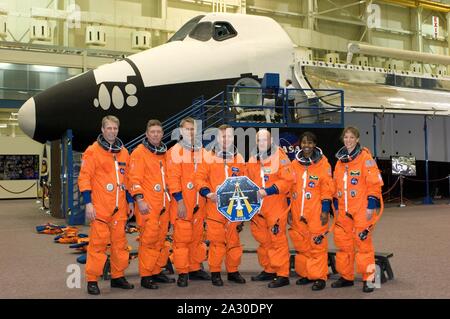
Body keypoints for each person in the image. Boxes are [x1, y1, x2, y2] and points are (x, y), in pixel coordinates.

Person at [78, 115, 135, 295]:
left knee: (120, 244)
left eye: (115, 128)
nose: (112, 131)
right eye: (109, 128)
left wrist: (131, 201)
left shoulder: (124, 152)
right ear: (102, 130)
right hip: (100, 207)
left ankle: (118, 276)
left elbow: (128, 179)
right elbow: (84, 177)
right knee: (98, 245)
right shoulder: (92, 151)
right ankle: (92, 280)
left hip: (120, 209)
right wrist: (88, 203)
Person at [332, 126, 383, 293]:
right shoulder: (340, 162)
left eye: (351, 137)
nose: (348, 140)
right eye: (345, 137)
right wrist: (337, 208)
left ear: (357, 139)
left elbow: (374, 184)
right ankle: (346, 277)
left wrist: (371, 206)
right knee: (344, 245)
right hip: (344, 210)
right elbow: (335, 186)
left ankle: (370, 279)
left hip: (362, 209)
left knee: (364, 246)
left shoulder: (365, 158)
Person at [194, 124, 247, 286]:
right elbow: (199, 179)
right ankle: (215, 272)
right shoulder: (208, 157)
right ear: (217, 138)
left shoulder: (238, 158)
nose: (226, 140)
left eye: (229, 136)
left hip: (234, 209)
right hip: (214, 208)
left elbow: (245, 183)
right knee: (217, 242)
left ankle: (232, 271)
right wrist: (207, 193)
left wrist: (244, 210)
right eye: (223, 136)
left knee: (234, 242)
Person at [128, 119, 174, 290]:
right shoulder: (139, 153)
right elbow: (134, 178)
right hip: (148, 206)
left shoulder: (164, 153)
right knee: (148, 241)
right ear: (147, 134)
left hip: (164, 205)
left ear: (162, 134)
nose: (155, 135)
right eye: (152, 132)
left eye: (158, 132)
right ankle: (146, 276)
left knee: (161, 240)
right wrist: (139, 199)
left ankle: (156, 271)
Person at [247, 129, 294, 288]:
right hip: (258, 208)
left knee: (277, 241)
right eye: (259, 140)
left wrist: (268, 191)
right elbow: (248, 180)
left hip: (275, 205)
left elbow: (287, 181)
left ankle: (282, 274)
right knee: (263, 241)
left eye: (264, 140)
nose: (261, 143)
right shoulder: (253, 159)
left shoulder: (280, 157)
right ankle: (269, 269)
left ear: (271, 141)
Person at [167, 117, 210, 287]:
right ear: (180, 131)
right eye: (187, 129)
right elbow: (172, 179)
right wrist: (179, 201)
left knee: (197, 238)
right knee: (182, 240)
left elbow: (208, 176)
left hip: (200, 204)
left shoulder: (203, 152)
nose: (190, 133)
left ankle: (194, 268)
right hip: (183, 203)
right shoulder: (175, 152)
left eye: (193, 129)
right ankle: (183, 272)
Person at [289, 132, 333, 291]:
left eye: (309, 143)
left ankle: (320, 277)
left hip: (315, 212)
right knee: (302, 246)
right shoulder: (294, 164)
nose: (306, 146)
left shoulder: (324, 165)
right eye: (304, 143)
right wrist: (289, 210)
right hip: (297, 212)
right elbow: (290, 188)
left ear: (315, 145)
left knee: (317, 245)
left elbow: (327, 189)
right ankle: (306, 274)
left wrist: (325, 211)